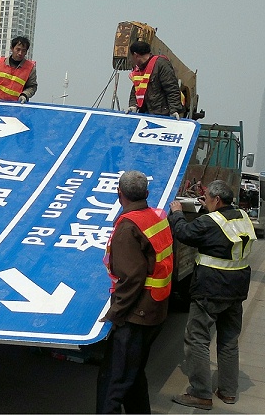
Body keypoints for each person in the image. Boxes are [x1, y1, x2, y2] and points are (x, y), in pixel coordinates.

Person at [169, 180, 256, 410]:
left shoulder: (210, 222)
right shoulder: (242, 217)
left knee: (197, 338)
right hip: (236, 291)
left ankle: (200, 394)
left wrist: (177, 213)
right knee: (228, 341)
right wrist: (206, 207)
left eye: (206, 197)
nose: (204, 200)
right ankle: (228, 392)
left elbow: (183, 233)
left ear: (217, 200)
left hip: (210, 289)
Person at [96, 170, 174, 413]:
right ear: (147, 194)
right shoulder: (157, 217)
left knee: (113, 383)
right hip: (156, 310)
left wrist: (115, 313)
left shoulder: (129, 227)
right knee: (134, 375)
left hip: (136, 316)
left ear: (119, 194)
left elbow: (132, 278)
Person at [125, 40, 183, 119]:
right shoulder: (139, 69)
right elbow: (136, 90)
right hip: (145, 114)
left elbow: (172, 89)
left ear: (135, 55)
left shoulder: (161, 64)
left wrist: (174, 110)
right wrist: (133, 105)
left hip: (162, 114)